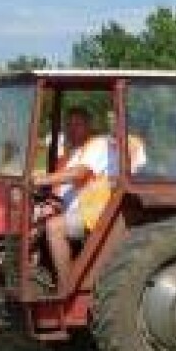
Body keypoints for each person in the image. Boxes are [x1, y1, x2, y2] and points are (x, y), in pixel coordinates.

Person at [31, 107, 115, 297]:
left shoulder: (98, 144)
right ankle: (35, 275)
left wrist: (38, 180)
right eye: (68, 125)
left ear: (88, 126)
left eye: (77, 125)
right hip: (74, 209)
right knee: (33, 220)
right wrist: (50, 204)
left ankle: (66, 290)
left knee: (55, 227)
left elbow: (80, 173)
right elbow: (62, 188)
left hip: (95, 212)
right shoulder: (73, 153)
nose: (71, 129)